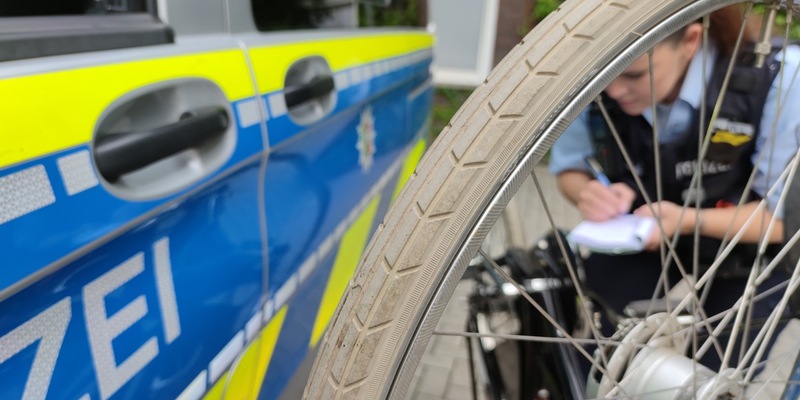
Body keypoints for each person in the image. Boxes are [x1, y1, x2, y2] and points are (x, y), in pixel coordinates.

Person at [548, 5, 800, 369]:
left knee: (714, 373)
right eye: (606, 76)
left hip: (746, 247)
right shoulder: (597, 81)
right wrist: (592, 194)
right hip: (644, 233)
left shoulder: (779, 78)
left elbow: (778, 220)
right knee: (596, 355)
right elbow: (569, 167)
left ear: (691, 40)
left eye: (634, 74)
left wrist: (685, 220)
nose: (615, 91)